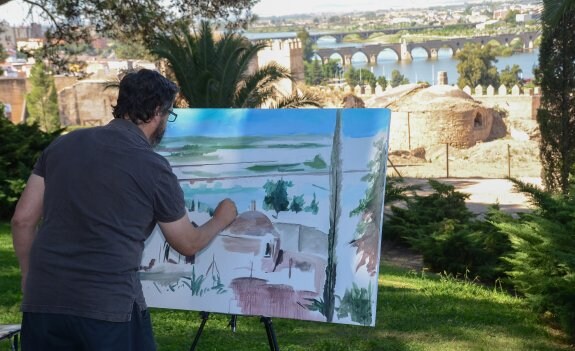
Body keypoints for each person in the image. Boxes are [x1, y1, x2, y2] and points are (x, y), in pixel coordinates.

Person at [10, 68, 237, 351]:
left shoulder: (62, 145)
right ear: (157, 111)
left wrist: (28, 275)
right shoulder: (152, 166)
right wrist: (221, 218)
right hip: (104, 306)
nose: (167, 122)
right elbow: (187, 243)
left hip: (43, 300)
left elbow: (22, 220)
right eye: (169, 114)